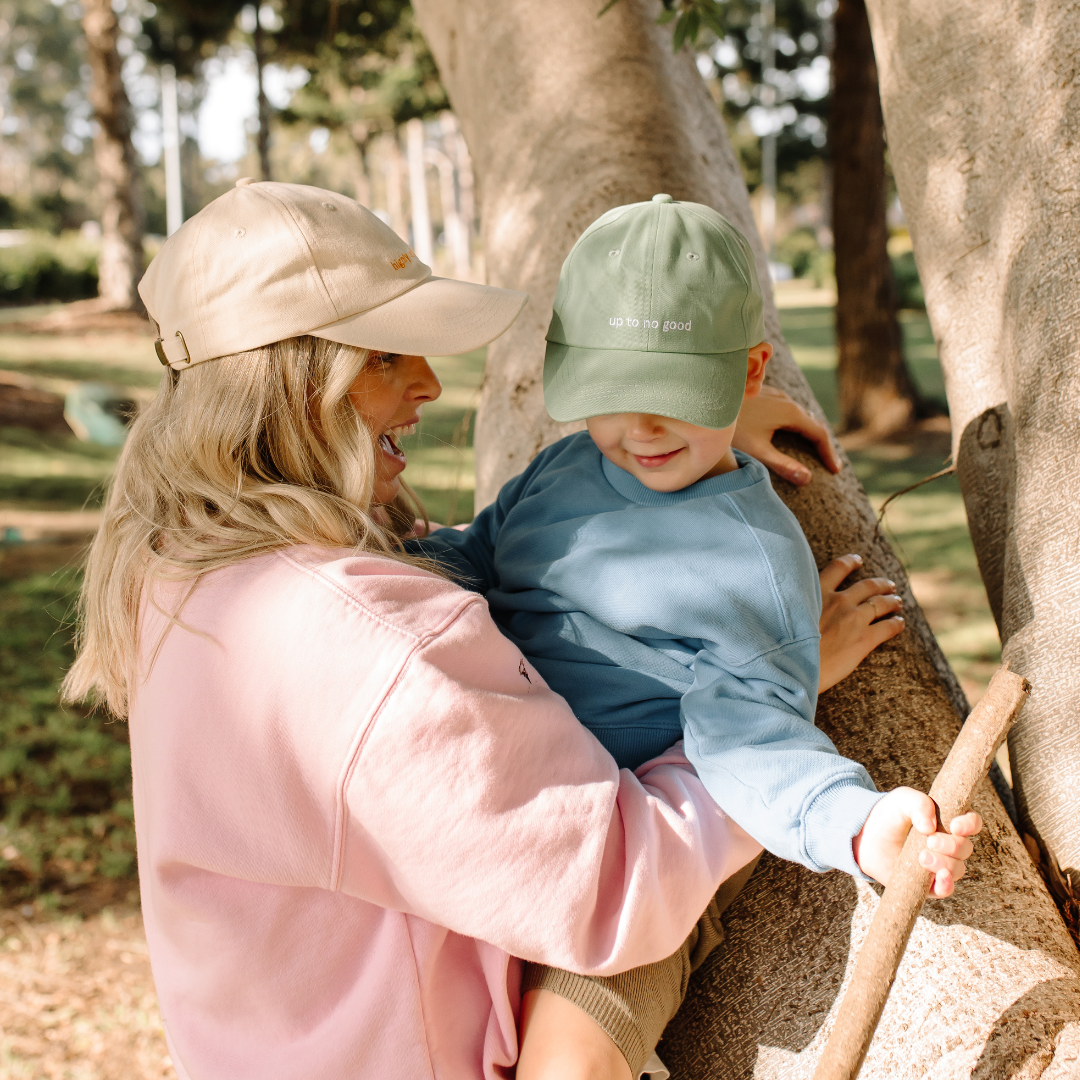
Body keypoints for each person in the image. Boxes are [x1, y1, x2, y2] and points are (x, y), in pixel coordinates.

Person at [61, 181, 980, 1080]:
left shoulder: (177, 570)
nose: (428, 380)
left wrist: (699, 417)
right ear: (293, 387)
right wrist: (775, 687)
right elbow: (617, 886)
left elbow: (451, 558)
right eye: (387, 357)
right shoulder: (381, 648)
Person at [407, 196, 981, 1080]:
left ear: (751, 375)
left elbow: (754, 735)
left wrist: (861, 824)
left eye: (672, 398)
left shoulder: (747, 560)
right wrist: (389, 565)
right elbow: (481, 555)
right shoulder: (564, 468)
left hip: (633, 848)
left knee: (570, 1056)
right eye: (612, 395)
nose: (640, 429)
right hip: (506, 808)